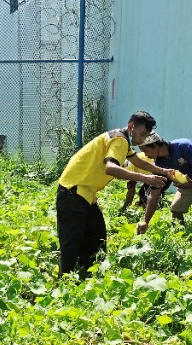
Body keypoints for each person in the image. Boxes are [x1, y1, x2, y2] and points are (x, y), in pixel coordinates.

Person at [56, 111, 167, 276]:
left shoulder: (122, 141)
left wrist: (164, 171)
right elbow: (111, 168)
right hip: (73, 191)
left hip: (84, 193)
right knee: (72, 241)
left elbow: (138, 162)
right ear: (131, 126)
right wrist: (146, 178)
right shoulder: (120, 140)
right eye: (142, 134)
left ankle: (88, 275)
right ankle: (65, 280)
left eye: (146, 135)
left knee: (96, 238)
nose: (143, 139)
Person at [133, 133, 192, 234]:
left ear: (155, 145)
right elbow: (155, 192)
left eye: (146, 151)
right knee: (176, 210)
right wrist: (145, 221)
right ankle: (182, 236)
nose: (146, 155)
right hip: (188, 184)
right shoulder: (159, 162)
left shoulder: (183, 146)